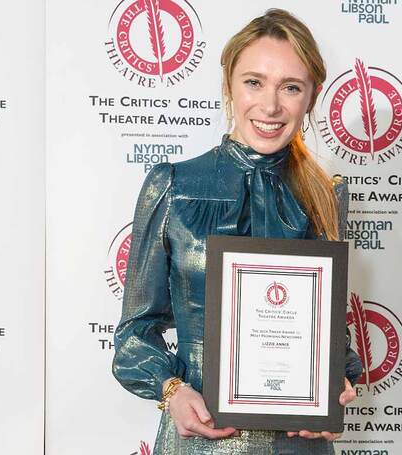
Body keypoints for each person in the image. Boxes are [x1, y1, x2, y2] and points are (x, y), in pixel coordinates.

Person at [112, 9, 363, 455]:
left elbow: (330, 335)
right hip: (202, 441)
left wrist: (335, 387)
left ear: (311, 97)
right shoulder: (173, 186)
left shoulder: (327, 195)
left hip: (297, 445)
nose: (270, 106)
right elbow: (135, 334)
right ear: (229, 84)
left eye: (291, 87)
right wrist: (174, 393)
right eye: (254, 82)